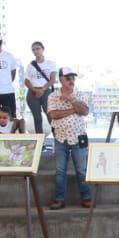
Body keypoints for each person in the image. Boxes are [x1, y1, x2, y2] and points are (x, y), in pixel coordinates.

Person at [47, 68, 92, 210]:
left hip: (79, 137)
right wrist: (74, 109)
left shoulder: (79, 94)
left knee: (82, 170)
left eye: (73, 77)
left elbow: (84, 111)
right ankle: (59, 198)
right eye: (68, 78)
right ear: (60, 79)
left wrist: (71, 99)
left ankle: (86, 197)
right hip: (60, 138)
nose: (71, 80)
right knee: (60, 170)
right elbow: (54, 114)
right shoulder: (53, 96)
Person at [22, 41, 58, 140]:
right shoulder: (31, 65)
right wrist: (35, 90)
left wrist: (42, 89)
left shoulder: (51, 63)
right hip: (33, 92)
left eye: (38, 49)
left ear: (42, 49)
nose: (36, 51)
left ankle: (57, 140)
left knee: (51, 116)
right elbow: (26, 81)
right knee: (37, 118)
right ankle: (40, 142)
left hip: (46, 91)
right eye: (33, 49)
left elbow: (52, 79)